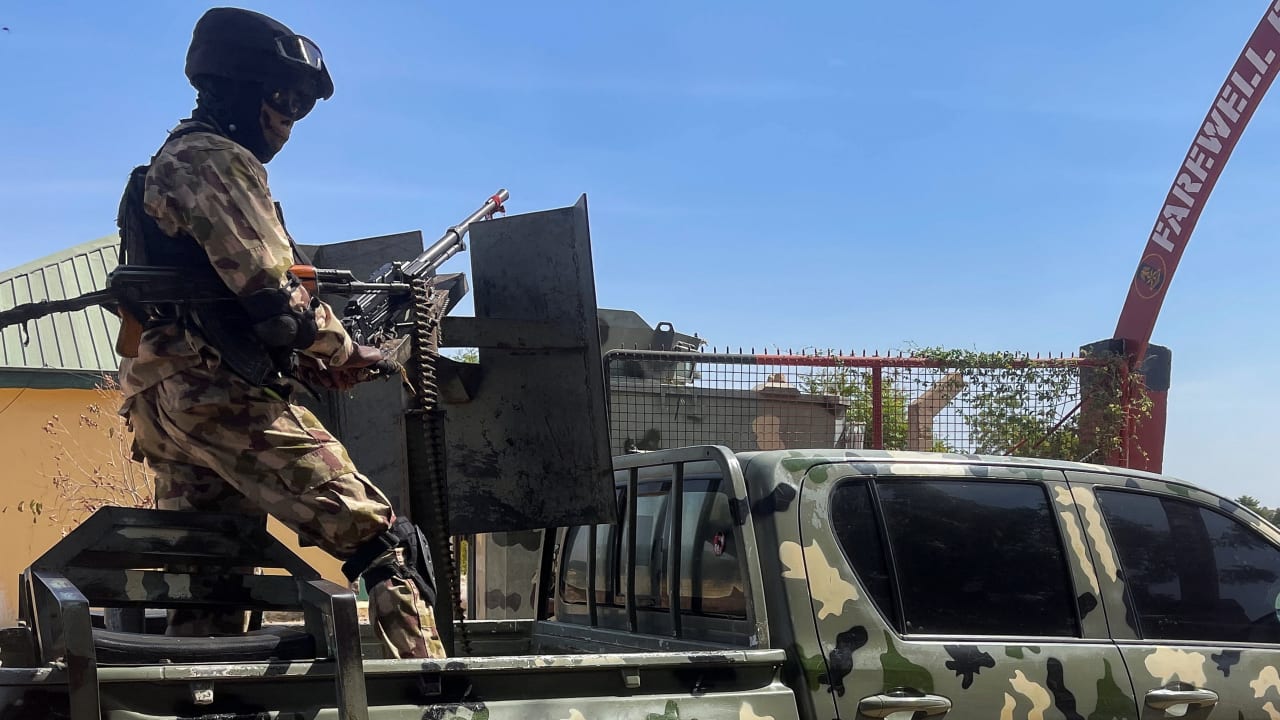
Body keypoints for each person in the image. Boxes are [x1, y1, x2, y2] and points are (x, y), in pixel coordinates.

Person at [115, 6, 445, 659]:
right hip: (219, 394)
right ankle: (439, 692)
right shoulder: (216, 158)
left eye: (303, 107)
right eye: (285, 100)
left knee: (212, 578)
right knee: (386, 544)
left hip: (167, 402)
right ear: (239, 89)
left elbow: (228, 301)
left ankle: (204, 695)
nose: (290, 122)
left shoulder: (170, 161)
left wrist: (307, 360)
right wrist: (345, 349)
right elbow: (274, 300)